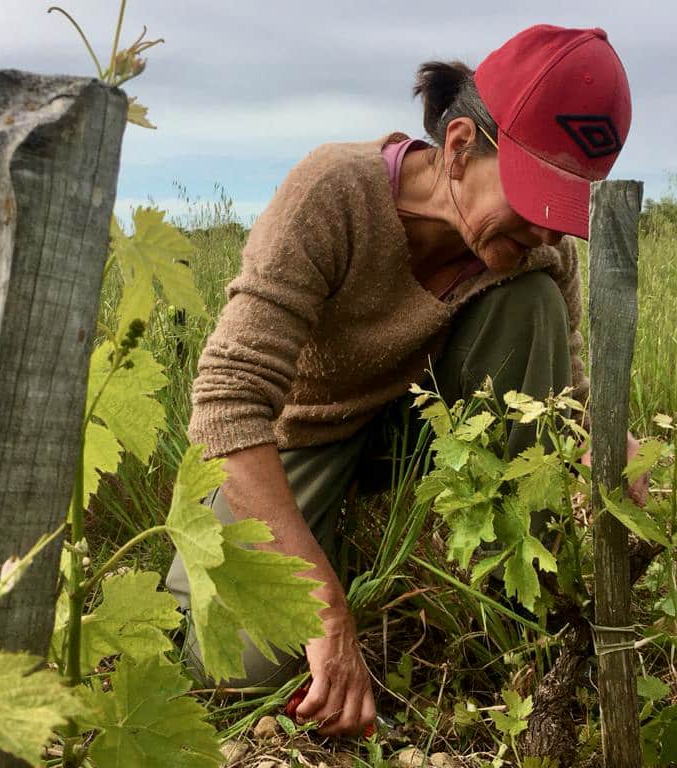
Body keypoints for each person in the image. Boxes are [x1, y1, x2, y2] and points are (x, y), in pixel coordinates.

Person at [166, 24, 640, 737]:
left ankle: (518, 616)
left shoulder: (535, 252)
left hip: (422, 435)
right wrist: (327, 612)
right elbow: (228, 407)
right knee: (235, 670)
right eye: (535, 198)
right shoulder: (336, 193)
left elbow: (562, 401)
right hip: (307, 434)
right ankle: (309, 554)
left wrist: (618, 460)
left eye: (563, 211)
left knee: (531, 295)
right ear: (458, 147)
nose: (548, 232)